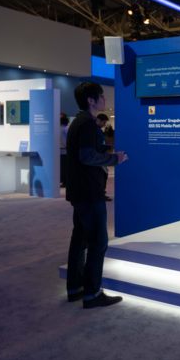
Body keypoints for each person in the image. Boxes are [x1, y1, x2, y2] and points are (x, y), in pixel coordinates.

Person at [66, 82, 128, 309]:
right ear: (91, 100)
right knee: (98, 242)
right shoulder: (87, 124)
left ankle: (75, 288)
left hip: (81, 191)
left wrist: (106, 152)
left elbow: (88, 151)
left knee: (80, 239)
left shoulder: (80, 122)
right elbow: (87, 156)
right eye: (101, 96)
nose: (104, 99)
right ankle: (92, 293)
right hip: (89, 192)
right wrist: (114, 159)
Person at [95, 113, 113, 202]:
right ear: (99, 120)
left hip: (100, 156)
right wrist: (106, 147)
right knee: (102, 176)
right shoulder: (95, 131)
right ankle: (100, 194)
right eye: (104, 122)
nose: (104, 124)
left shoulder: (98, 130)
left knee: (103, 175)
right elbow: (97, 145)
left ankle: (101, 193)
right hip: (99, 157)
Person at [60, 113, 69, 188]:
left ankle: (63, 181)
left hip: (59, 151)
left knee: (61, 167)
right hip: (65, 151)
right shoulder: (65, 129)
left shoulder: (58, 129)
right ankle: (65, 182)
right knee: (65, 168)